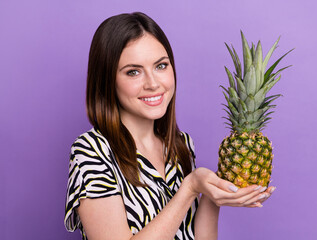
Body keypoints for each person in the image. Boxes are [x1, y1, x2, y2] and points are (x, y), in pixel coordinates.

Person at [64, 12, 275, 240]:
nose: (153, 83)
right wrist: (190, 187)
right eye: (133, 72)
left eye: (161, 66)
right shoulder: (91, 152)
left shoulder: (180, 145)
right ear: (108, 80)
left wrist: (214, 195)